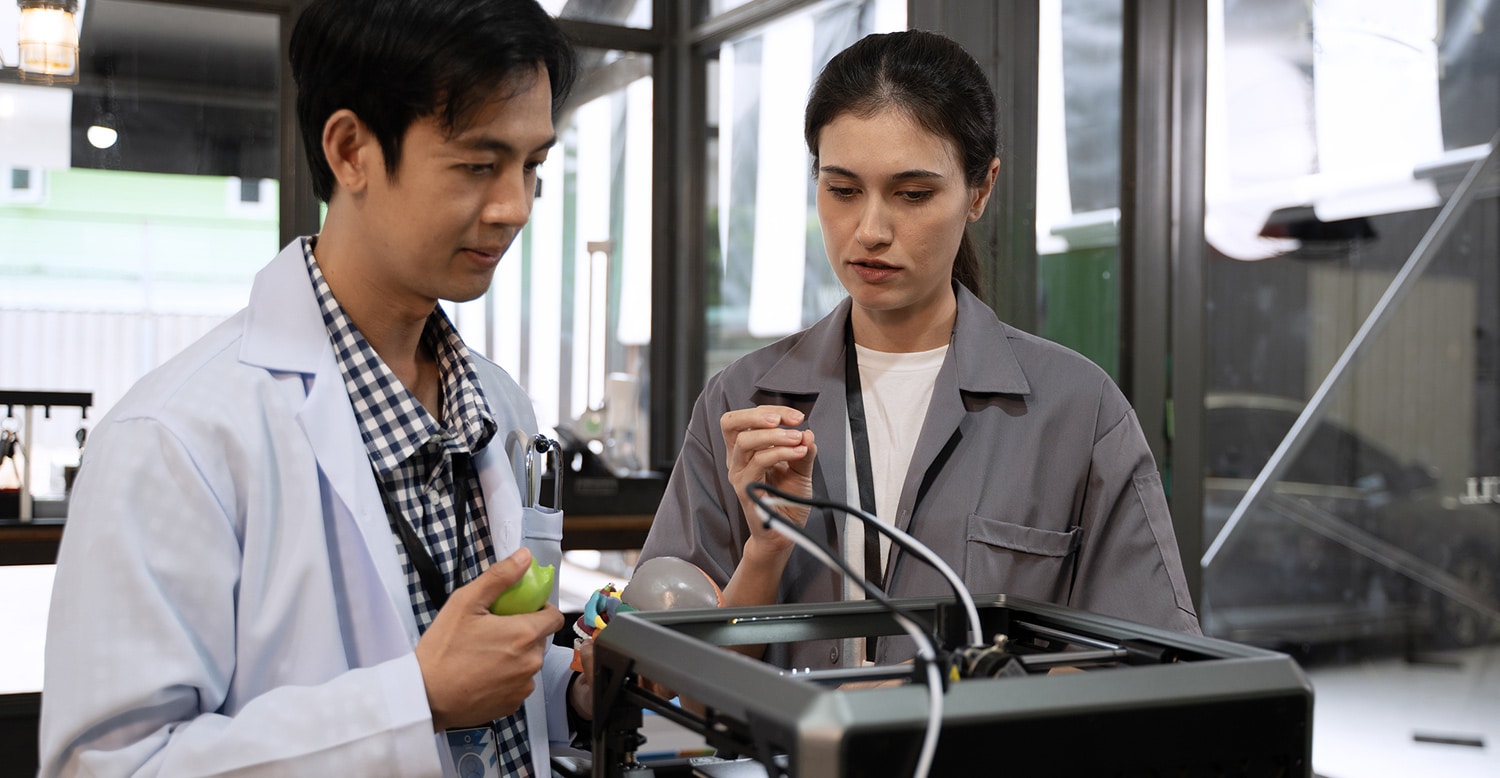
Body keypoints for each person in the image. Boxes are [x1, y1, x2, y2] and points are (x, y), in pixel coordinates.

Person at [38, 1, 592, 774]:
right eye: (477, 164)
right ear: (350, 150)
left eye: (532, 166)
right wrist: (414, 701)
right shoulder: (177, 438)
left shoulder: (496, 406)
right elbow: (111, 765)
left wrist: (573, 690)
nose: (515, 207)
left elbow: (478, 676)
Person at [638, 29, 1201, 672]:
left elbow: (1146, 667)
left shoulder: (1077, 413)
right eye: (842, 190)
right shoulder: (744, 402)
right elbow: (675, 682)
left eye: (913, 195)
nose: (870, 231)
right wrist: (765, 554)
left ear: (981, 189)